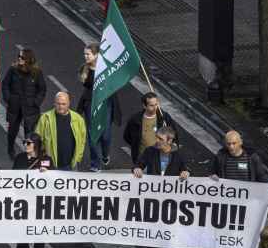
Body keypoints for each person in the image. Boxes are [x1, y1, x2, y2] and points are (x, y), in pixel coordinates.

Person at [209, 130, 268, 248]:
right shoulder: (221, 157)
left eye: (234, 143)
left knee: (257, 231)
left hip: (249, 203)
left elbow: (260, 175)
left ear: (240, 143)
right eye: (228, 144)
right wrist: (213, 177)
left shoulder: (251, 157)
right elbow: (211, 172)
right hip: (230, 204)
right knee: (233, 232)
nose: (231, 146)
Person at [132, 126, 187, 248]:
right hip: (154, 198)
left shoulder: (179, 155)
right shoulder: (150, 151)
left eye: (160, 139)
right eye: (156, 137)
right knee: (154, 227)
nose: (157, 141)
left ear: (170, 140)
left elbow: (185, 170)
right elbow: (139, 164)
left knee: (171, 230)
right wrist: (137, 168)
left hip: (171, 201)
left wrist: (185, 173)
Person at [76, 42, 122, 171]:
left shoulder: (107, 68)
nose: (85, 56)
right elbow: (84, 84)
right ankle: (95, 164)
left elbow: (114, 84)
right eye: (85, 54)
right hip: (90, 104)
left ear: (96, 55)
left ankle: (105, 153)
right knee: (93, 135)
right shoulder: (83, 69)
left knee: (105, 135)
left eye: (88, 54)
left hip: (105, 103)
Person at [13, 133, 52, 248]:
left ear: (36, 144)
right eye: (24, 142)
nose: (25, 145)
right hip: (23, 202)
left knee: (39, 235)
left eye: (28, 143)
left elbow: (55, 180)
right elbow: (12, 178)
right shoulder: (19, 158)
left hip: (40, 203)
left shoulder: (46, 160)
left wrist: (48, 174)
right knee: (23, 235)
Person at [1, 48, 47, 157]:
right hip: (15, 106)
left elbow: (42, 89)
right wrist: (8, 98)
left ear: (28, 59)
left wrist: (36, 102)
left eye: (22, 57)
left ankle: (29, 153)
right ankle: (10, 148)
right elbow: (5, 84)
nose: (19, 59)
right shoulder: (13, 70)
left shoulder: (37, 73)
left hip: (30, 108)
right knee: (12, 130)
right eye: (19, 56)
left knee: (29, 133)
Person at [34, 92, 86, 170]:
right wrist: (42, 162)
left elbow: (82, 140)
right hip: (50, 165)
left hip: (71, 165)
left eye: (63, 104)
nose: (60, 106)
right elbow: (36, 141)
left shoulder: (78, 120)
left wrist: (78, 158)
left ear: (69, 104)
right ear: (54, 103)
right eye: (58, 104)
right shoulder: (45, 118)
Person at [123, 91, 177, 163]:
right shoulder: (135, 120)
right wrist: (136, 145)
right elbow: (127, 136)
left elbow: (174, 135)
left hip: (161, 159)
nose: (155, 107)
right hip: (142, 160)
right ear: (144, 106)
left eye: (156, 104)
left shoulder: (164, 117)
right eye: (151, 105)